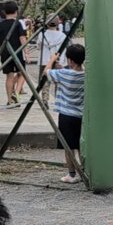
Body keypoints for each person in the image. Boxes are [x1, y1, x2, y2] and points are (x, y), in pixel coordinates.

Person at [47, 43, 86, 184]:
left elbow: (47, 72)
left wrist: (51, 60)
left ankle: (72, 174)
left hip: (66, 116)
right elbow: (72, 72)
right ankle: (84, 172)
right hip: (81, 115)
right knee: (81, 146)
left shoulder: (64, 74)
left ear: (70, 60)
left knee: (69, 147)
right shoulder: (86, 75)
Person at [0, 1, 27, 106]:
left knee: (9, 76)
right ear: (16, 11)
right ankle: (16, 92)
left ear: (5, 11)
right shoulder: (18, 23)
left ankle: (9, 100)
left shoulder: (0, 25)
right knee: (22, 73)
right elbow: (22, 38)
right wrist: (26, 53)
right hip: (17, 52)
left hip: (5, 53)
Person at [37, 15, 67, 108]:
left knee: (45, 81)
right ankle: (58, 100)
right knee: (58, 81)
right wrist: (62, 61)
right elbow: (64, 49)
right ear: (58, 23)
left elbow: (38, 47)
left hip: (44, 60)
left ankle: (45, 100)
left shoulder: (42, 34)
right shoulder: (62, 36)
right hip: (57, 60)